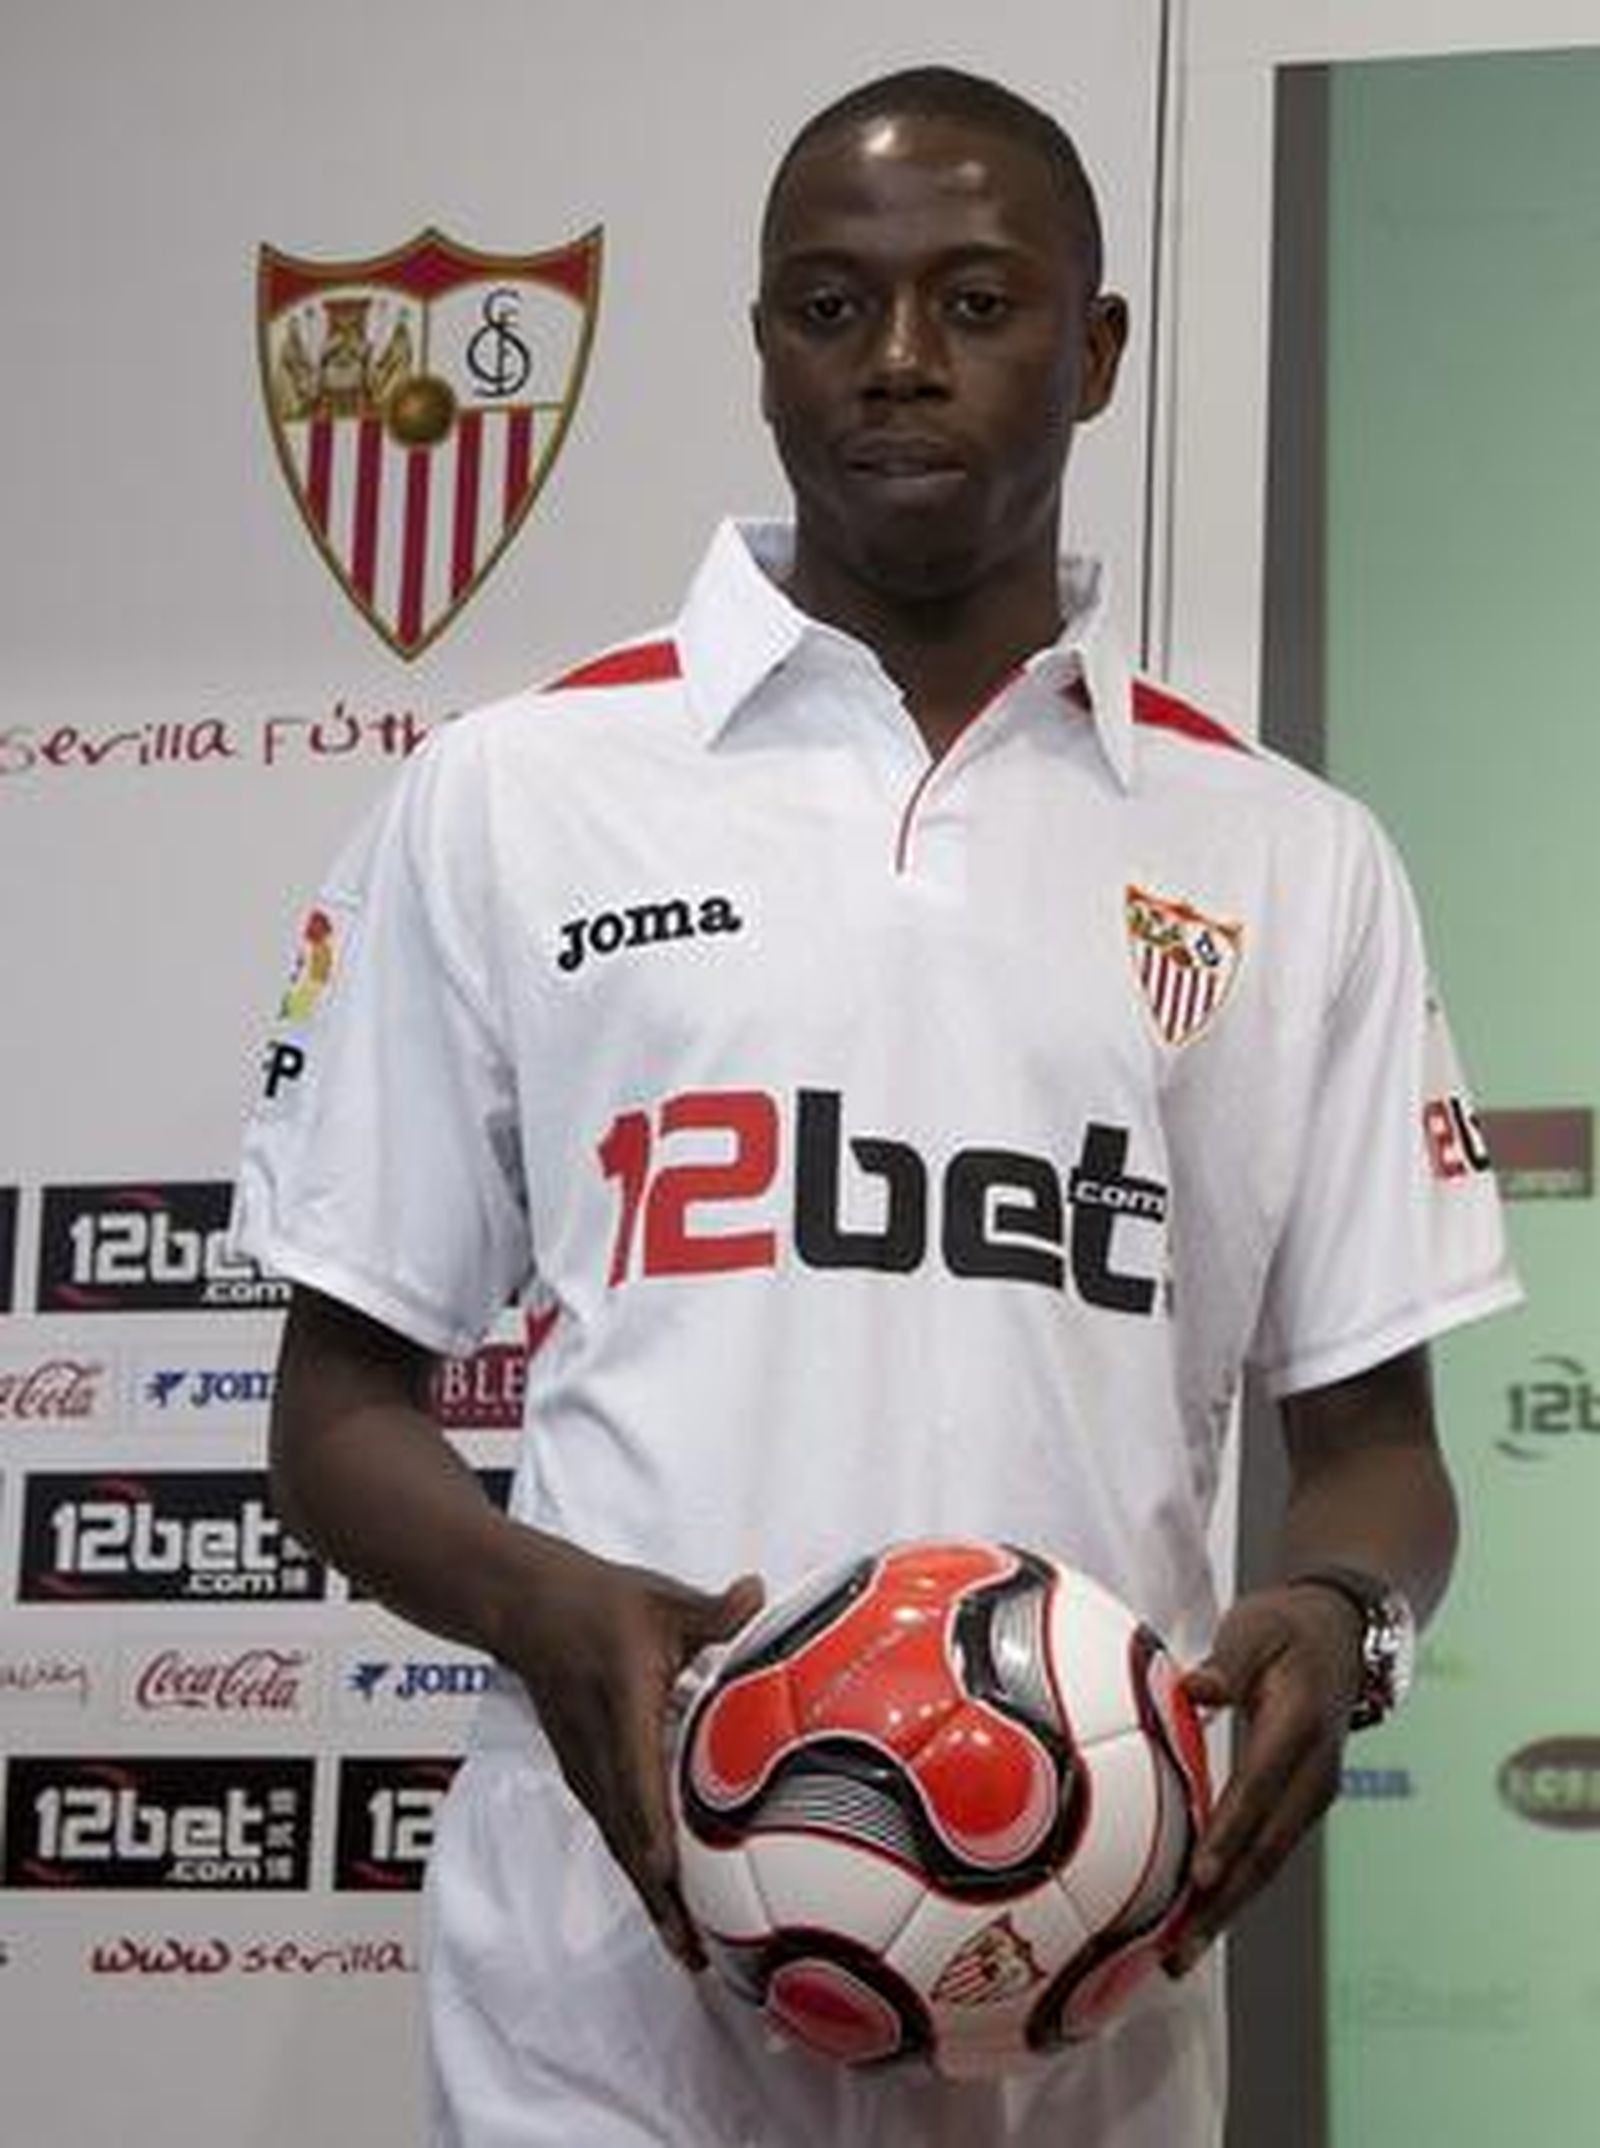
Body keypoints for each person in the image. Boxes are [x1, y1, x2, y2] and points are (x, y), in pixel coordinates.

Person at [234, 64, 1520, 2148]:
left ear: (1094, 349)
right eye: (826, 310)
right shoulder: (514, 792)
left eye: (976, 304)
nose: (896, 364)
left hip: (1081, 2011)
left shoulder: (1285, 852)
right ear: (758, 349)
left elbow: (1374, 1454)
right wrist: (534, 1599)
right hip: (605, 2009)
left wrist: (1335, 1618)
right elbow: (334, 1407)